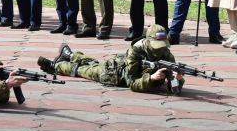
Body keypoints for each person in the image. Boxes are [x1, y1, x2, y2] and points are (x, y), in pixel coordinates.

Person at [37, 25, 183, 94]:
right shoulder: (135, 51)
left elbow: (174, 89)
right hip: (114, 74)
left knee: (93, 63)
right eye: (156, 45)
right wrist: (151, 78)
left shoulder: (166, 54)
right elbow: (132, 82)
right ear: (148, 41)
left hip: (120, 65)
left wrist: (178, 79)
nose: (160, 49)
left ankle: (71, 55)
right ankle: (56, 65)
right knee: (83, 70)